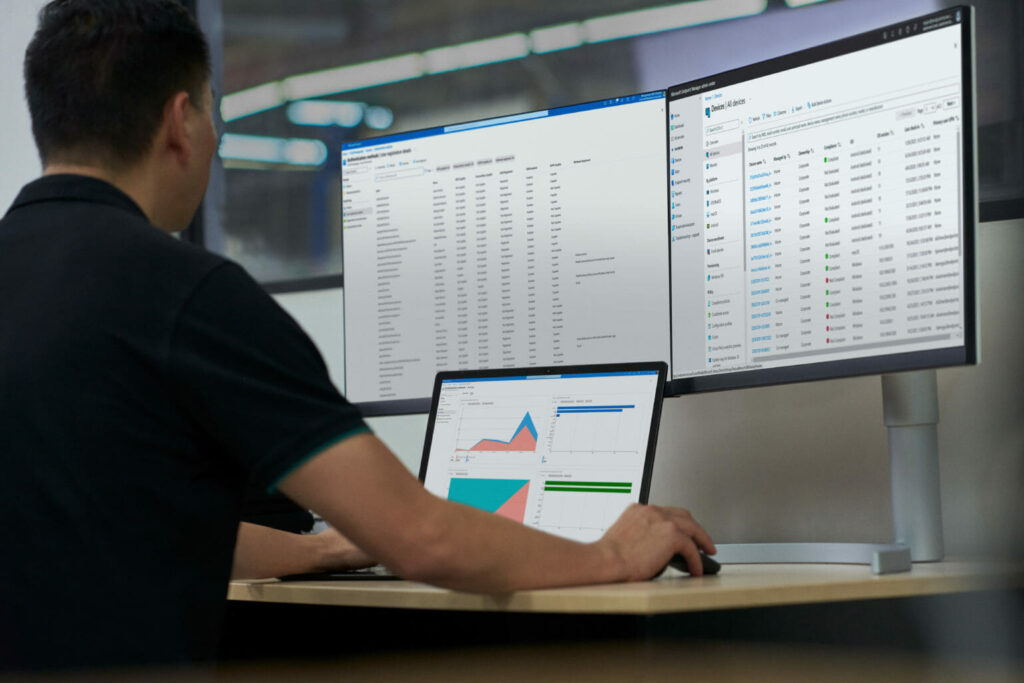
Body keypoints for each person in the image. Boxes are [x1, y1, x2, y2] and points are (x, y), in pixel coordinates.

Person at [0, 0, 715, 672]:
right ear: (181, 121)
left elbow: (121, 527)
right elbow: (423, 536)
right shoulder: (185, 293)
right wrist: (611, 555)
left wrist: (327, 549)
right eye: (215, 114)